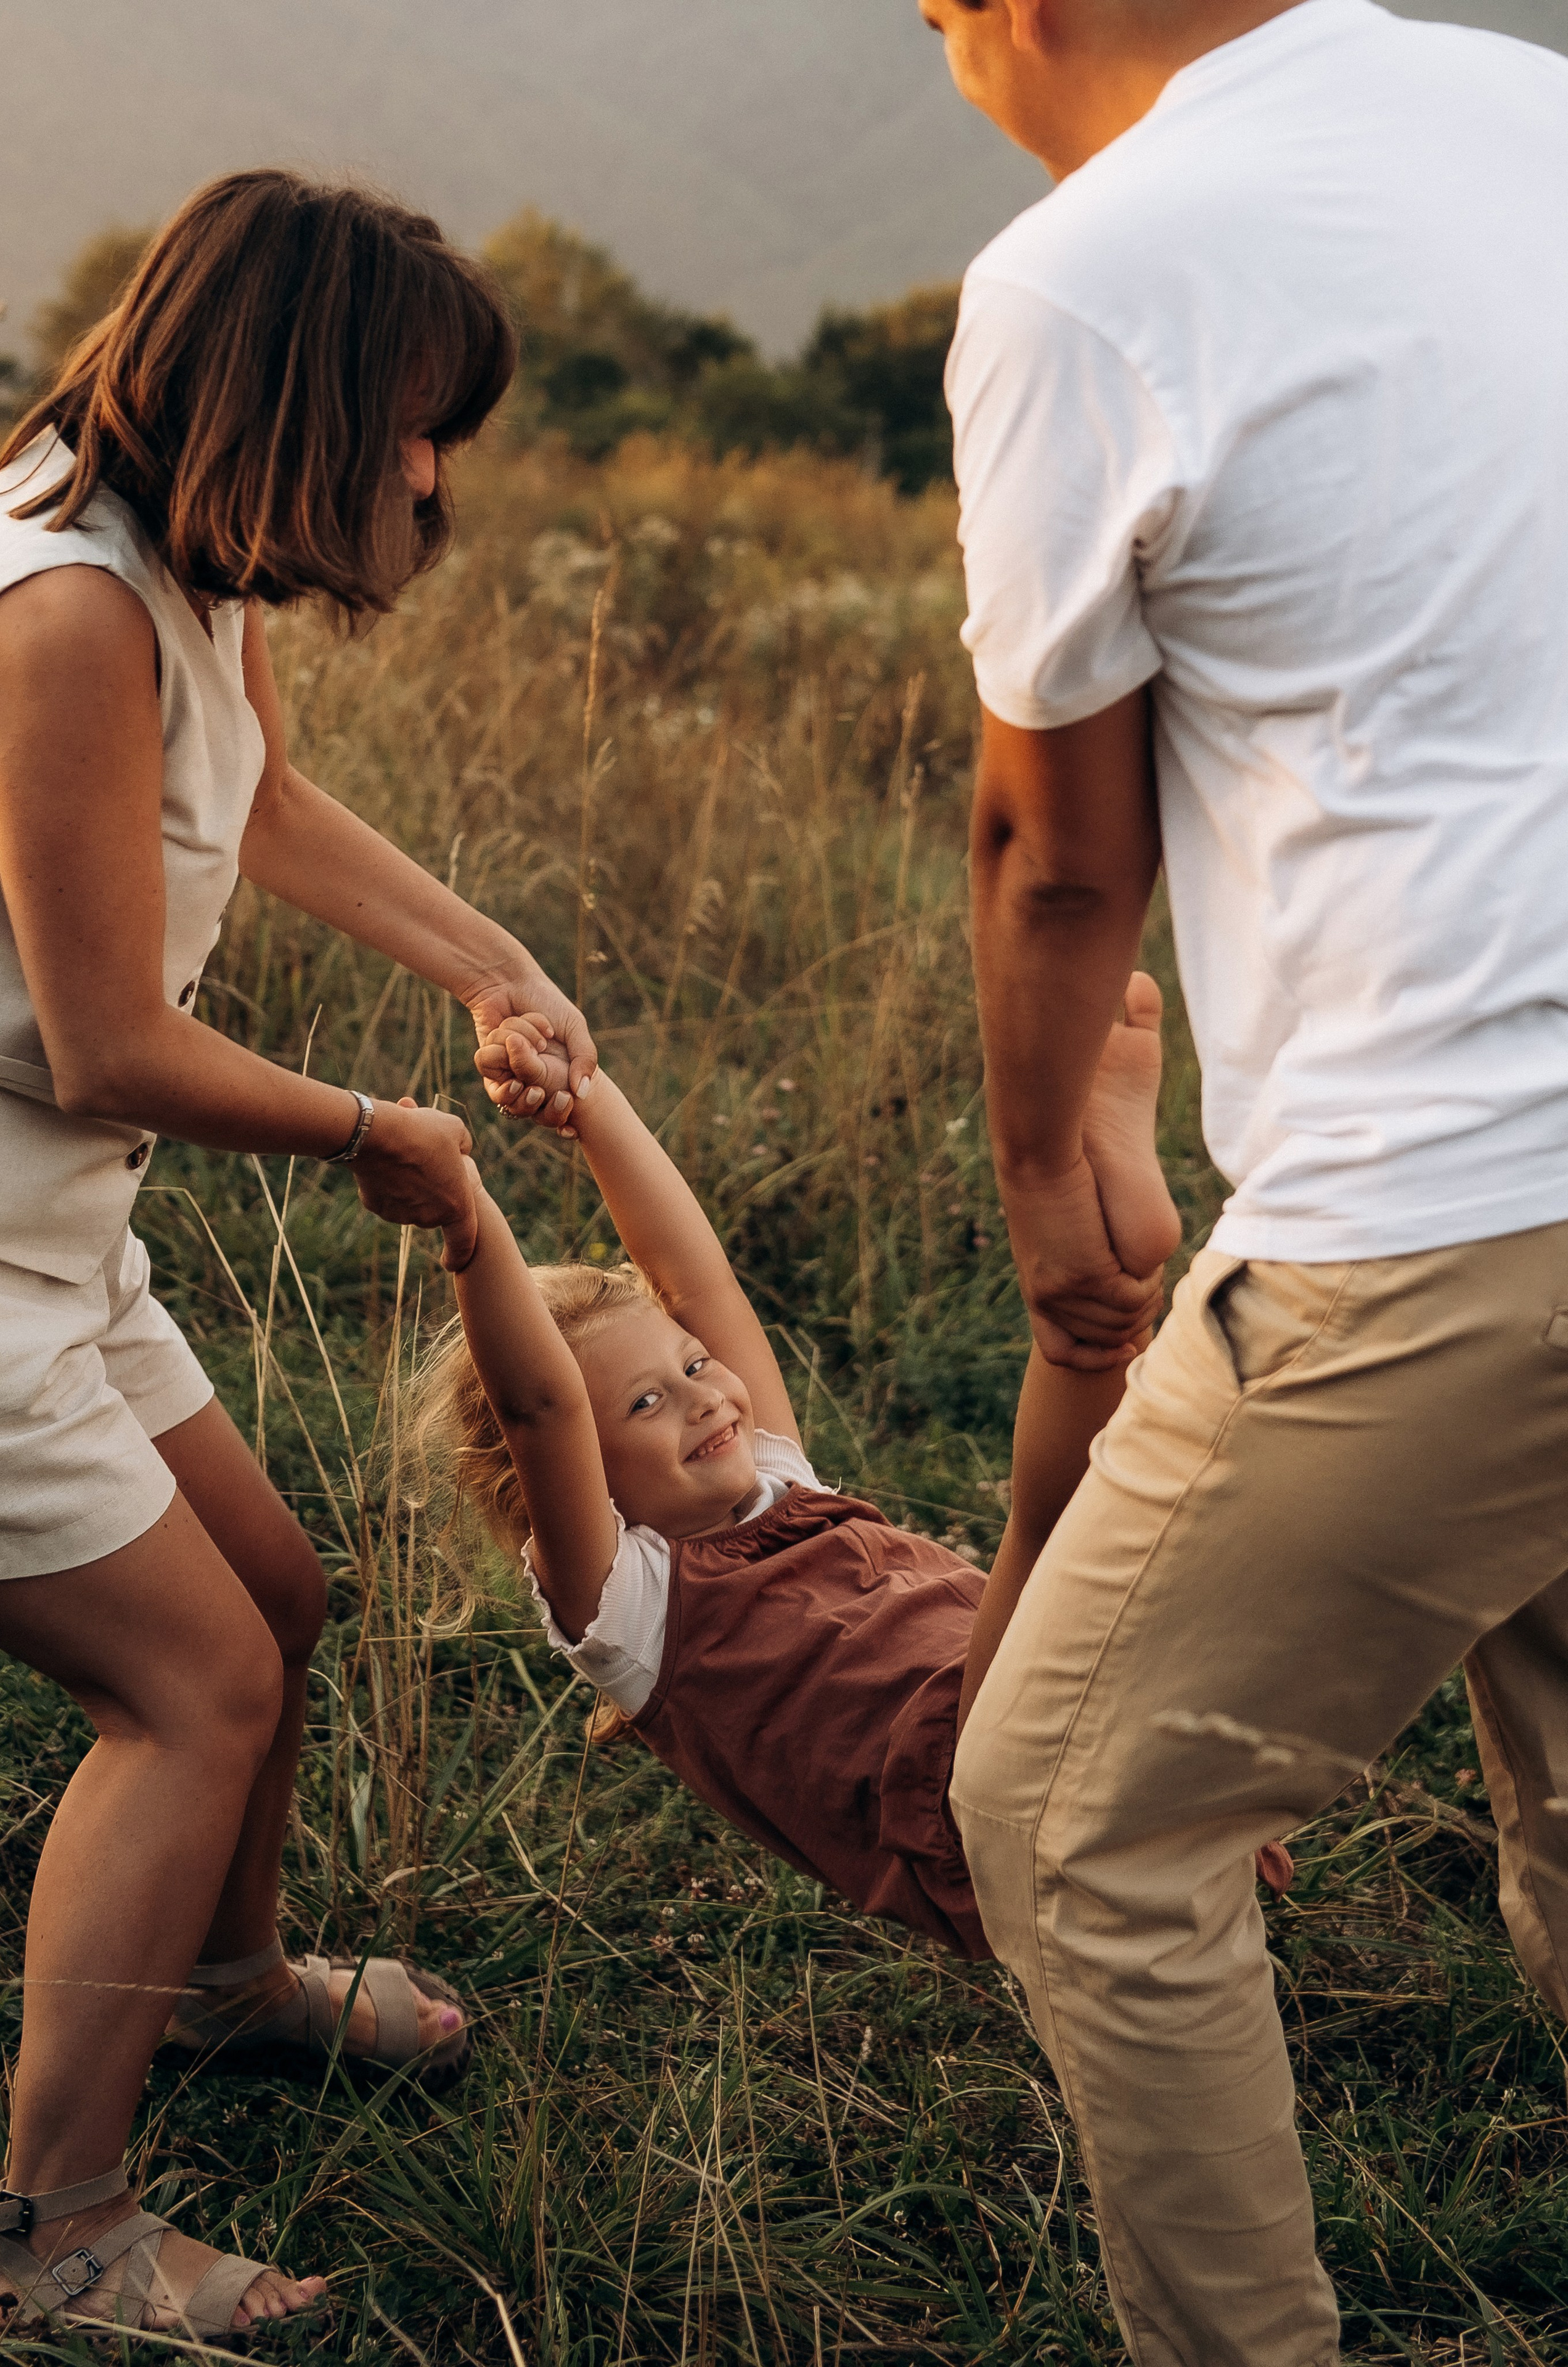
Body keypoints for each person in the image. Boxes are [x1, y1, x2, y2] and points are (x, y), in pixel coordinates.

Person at [921, 0, 1568, 2358]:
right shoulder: (1535, 106)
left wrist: (1043, 1192)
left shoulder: (1094, 269)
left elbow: (1052, 851)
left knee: (1079, 1819)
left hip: (1459, 1197)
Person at [0, 170, 596, 2338]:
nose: (430, 474)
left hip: (52, 1246)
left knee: (277, 1591)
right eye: (417, 421)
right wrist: (382, 1132)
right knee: (196, 1683)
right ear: (302, 394)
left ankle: (228, 1983)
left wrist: (487, 962)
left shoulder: (179, 552)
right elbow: (106, 1039)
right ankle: (56, 2236)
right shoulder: (56, 608)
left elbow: (256, 804)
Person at [406, 990, 1292, 1953]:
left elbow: (695, 1279)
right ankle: (1098, 1282)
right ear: (567, 1476)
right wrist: (467, 1220)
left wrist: (587, 1095)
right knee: (1067, 1529)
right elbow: (540, 1408)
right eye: (645, 1405)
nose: (705, 1399)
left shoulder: (777, 1480)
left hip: (1053, 1695)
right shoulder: (630, 1610)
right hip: (974, 1783)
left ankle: (1111, 1275)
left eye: (694, 1366)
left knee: (1217, 1569)